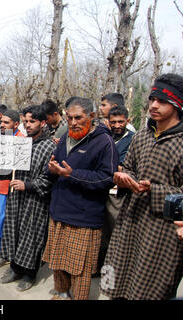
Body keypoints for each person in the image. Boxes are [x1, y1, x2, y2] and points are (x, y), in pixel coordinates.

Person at [102, 73, 183, 300]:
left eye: (162, 101)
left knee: (150, 286)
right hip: (131, 219)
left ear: (177, 105)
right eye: (152, 99)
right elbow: (129, 167)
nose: (154, 105)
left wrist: (154, 190)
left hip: (163, 231)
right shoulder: (143, 135)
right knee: (118, 276)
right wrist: (124, 177)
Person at [42, 97, 118, 300]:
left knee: (80, 270)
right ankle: (61, 294)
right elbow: (56, 166)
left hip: (84, 217)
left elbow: (107, 178)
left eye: (78, 117)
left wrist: (71, 174)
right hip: (59, 211)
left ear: (91, 117)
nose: (73, 122)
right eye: (69, 117)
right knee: (58, 262)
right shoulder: (67, 135)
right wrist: (51, 170)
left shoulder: (104, 142)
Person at [0, 105, 56, 291]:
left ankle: (30, 274)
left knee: (32, 235)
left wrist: (28, 185)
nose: (28, 125)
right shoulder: (21, 142)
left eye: (32, 121)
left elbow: (49, 178)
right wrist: (1, 164)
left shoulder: (49, 146)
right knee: (14, 230)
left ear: (43, 122)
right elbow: (10, 170)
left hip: (36, 200)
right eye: (26, 122)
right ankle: (15, 268)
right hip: (16, 196)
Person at [96, 106, 135, 274]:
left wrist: (110, 166)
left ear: (128, 120)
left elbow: (126, 168)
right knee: (100, 233)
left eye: (121, 121)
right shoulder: (104, 137)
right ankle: (98, 266)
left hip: (117, 195)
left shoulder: (133, 140)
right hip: (101, 190)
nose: (117, 125)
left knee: (114, 234)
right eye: (113, 122)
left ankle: (114, 271)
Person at [0, 109, 24, 269]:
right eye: (1, 121)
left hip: (10, 190)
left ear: (16, 124)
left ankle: (9, 254)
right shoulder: (0, 137)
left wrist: (3, 163)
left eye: (6, 122)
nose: (2, 125)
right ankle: (3, 253)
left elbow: (21, 167)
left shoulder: (21, 140)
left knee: (7, 223)